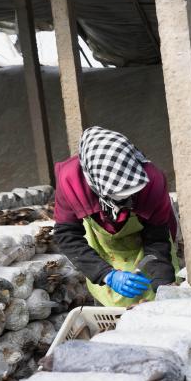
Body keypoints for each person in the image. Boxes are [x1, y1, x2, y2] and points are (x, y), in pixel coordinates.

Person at [53, 126, 179, 307]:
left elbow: (157, 238)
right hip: (105, 248)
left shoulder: (153, 181)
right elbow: (67, 235)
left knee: (160, 297)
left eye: (131, 193)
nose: (126, 201)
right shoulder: (71, 182)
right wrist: (106, 274)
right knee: (116, 312)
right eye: (118, 195)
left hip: (146, 243)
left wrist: (163, 285)